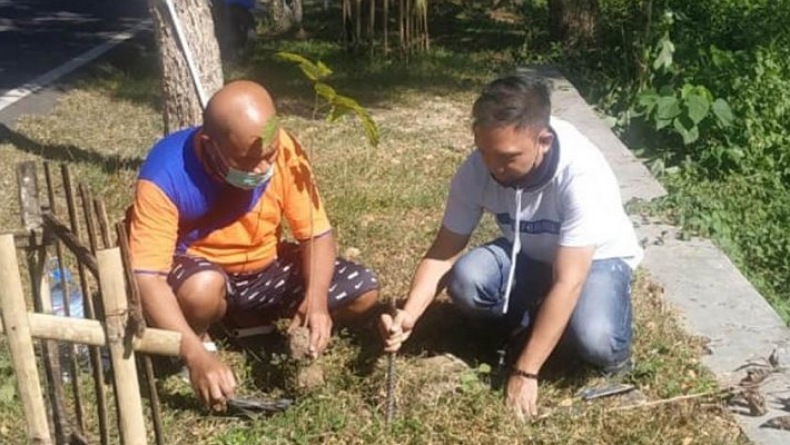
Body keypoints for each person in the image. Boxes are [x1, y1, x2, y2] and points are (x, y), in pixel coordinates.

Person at [379, 72, 642, 419]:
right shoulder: (479, 168)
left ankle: (604, 351)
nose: (493, 167)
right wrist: (409, 314)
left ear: (543, 141)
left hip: (595, 261)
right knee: (467, 279)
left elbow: (569, 280)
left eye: (506, 157)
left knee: (597, 338)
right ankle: (536, 324)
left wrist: (526, 371)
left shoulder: (581, 174)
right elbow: (444, 250)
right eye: (484, 151)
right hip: (530, 255)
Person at [128, 80, 379, 408]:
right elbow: (148, 277)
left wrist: (316, 301)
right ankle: (201, 332)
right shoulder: (165, 174)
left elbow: (316, 234)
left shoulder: (283, 147)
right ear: (209, 145)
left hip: (265, 268)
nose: (262, 169)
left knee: (363, 291)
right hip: (201, 271)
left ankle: (243, 321)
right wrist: (194, 355)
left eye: (268, 155)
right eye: (246, 162)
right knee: (202, 290)